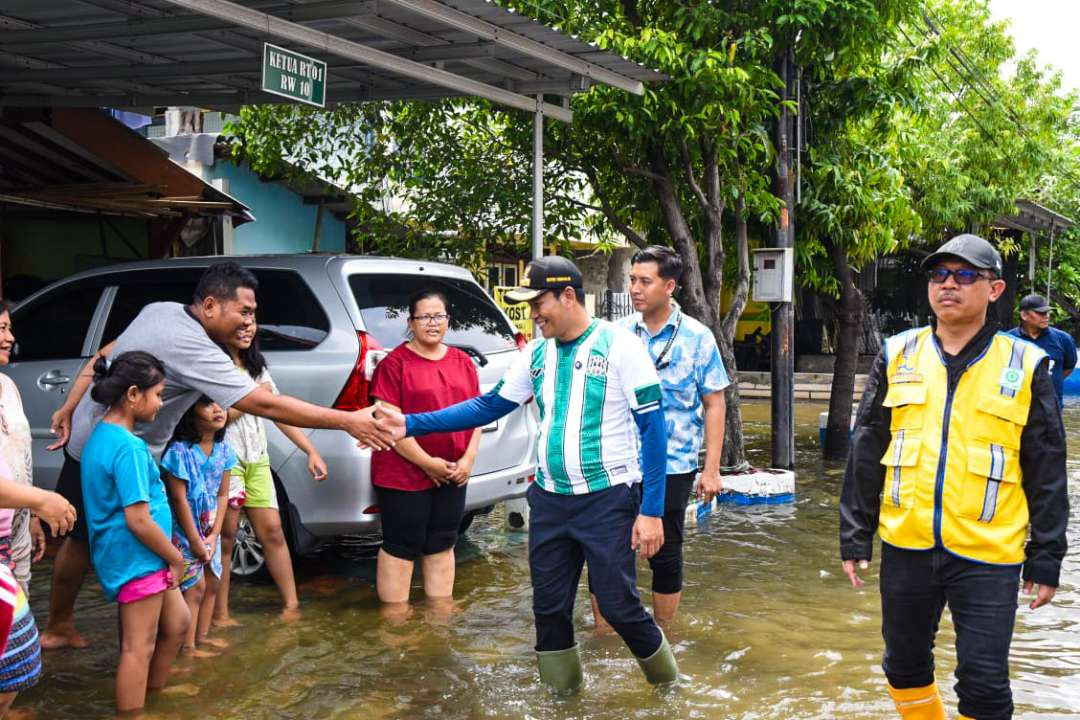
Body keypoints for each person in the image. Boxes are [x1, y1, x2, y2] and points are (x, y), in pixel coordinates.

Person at [41, 261, 396, 650]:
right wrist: (348, 422)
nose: (250, 322)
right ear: (210, 305)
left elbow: (105, 354)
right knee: (129, 549)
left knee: (92, 542)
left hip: (98, 444)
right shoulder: (196, 348)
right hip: (121, 453)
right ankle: (135, 652)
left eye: (254, 314)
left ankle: (85, 630)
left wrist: (69, 406)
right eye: (243, 311)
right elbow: (267, 405)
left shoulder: (160, 309)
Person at [379, 256, 678, 693]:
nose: (533, 314)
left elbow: (654, 431)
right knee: (549, 608)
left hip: (607, 498)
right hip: (551, 501)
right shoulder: (535, 353)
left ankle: (670, 688)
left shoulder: (620, 347)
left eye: (539, 303)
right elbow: (488, 406)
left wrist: (651, 511)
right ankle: (563, 699)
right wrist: (410, 424)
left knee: (617, 604)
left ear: (569, 296)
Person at [839, 234, 1068, 720]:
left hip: (989, 552)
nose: (948, 285)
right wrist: (854, 534)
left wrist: (1046, 556)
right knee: (903, 667)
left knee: (983, 686)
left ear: (994, 289)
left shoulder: (1025, 364)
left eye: (965, 275)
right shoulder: (898, 353)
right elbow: (867, 448)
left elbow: (1047, 466)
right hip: (907, 544)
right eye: (939, 275)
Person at [591, 245, 729, 626]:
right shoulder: (614, 335)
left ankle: (664, 637)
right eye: (632, 280)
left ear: (669, 286)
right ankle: (605, 640)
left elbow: (714, 403)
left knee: (664, 552)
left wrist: (711, 469)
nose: (635, 288)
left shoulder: (698, 338)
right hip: (617, 463)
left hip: (673, 463)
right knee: (607, 551)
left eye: (645, 281)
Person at [80, 352, 190, 715]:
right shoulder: (127, 447)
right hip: (137, 558)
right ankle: (133, 710)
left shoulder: (103, 435)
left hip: (139, 557)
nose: (160, 403)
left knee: (177, 623)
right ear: (132, 394)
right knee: (136, 648)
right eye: (157, 394)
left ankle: (152, 695)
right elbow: (139, 520)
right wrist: (177, 558)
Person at [369, 290, 481, 620]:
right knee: (401, 545)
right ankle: (395, 620)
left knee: (443, 542)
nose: (433, 323)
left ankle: (440, 613)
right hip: (403, 474)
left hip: (452, 471)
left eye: (439, 316)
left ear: (449, 320)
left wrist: (467, 461)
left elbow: (478, 415)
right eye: (424, 317)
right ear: (410, 322)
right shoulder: (394, 365)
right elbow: (387, 422)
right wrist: (426, 463)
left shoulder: (462, 362)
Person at [216, 325, 328, 626]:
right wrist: (254, 399)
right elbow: (216, 418)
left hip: (258, 461)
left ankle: (292, 606)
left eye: (251, 322)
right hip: (227, 462)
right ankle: (221, 615)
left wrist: (310, 451)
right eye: (239, 323)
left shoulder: (255, 367)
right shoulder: (211, 366)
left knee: (274, 534)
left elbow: (277, 411)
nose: (247, 329)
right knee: (225, 540)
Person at [162, 398, 235, 655]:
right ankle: (187, 647)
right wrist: (194, 540)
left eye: (221, 404)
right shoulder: (179, 452)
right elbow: (178, 498)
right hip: (182, 529)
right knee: (194, 588)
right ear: (189, 413)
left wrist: (215, 534)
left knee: (213, 582)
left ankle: (201, 637)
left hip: (208, 527)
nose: (218, 409)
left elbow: (223, 494)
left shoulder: (224, 449)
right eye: (207, 405)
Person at [0, 301, 50, 594]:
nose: (10, 338)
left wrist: (32, 513)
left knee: (18, 607)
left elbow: (23, 454)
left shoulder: (8, 386)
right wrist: (42, 500)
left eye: (10, 329)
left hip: (16, 532)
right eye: (2, 329)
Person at [1007, 293, 1076, 408]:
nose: (1046, 316)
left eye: (1047, 312)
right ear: (1024, 315)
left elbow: (1068, 368)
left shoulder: (1063, 339)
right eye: (1041, 313)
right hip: (1016, 408)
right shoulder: (1008, 340)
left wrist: (1047, 381)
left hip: (1051, 410)